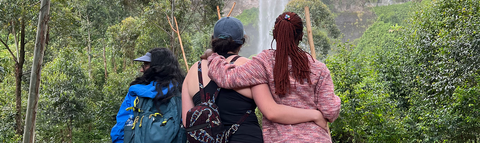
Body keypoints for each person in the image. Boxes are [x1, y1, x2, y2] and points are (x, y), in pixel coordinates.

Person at [182, 17, 327, 143]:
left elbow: (187, 121)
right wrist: (315, 115)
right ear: (242, 42)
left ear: (213, 40)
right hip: (246, 137)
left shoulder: (194, 71)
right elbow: (271, 111)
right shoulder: (249, 67)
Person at [111, 48, 185, 143]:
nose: (142, 70)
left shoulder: (135, 92)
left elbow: (121, 126)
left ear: (158, 67)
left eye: (146, 65)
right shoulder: (182, 91)